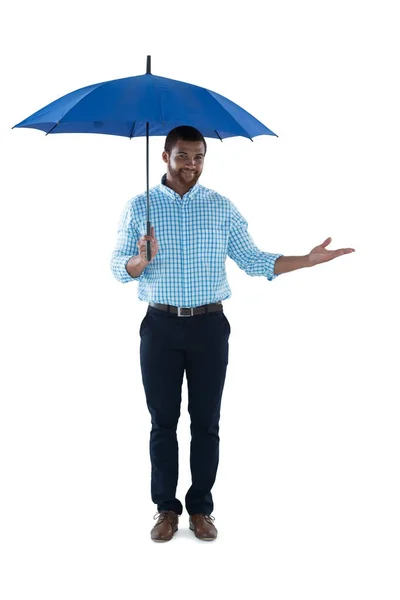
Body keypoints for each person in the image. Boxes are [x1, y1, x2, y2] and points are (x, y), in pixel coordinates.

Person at [110, 125, 355, 543]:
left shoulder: (221, 207)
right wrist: (140, 259)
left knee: (206, 422)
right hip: (160, 327)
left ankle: (201, 509)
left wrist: (307, 261)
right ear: (164, 155)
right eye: (183, 156)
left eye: (198, 157)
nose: (191, 165)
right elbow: (118, 268)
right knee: (162, 422)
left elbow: (254, 259)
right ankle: (165, 509)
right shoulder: (140, 207)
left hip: (209, 327)